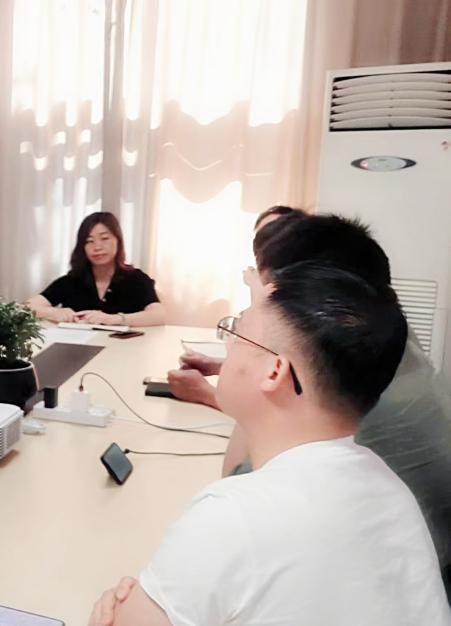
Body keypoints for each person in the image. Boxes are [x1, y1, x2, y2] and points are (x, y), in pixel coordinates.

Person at [89, 261, 451, 626]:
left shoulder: (233, 517)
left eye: (236, 332)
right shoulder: (390, 489)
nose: (228, 347)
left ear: (275, 370)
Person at [170, 213, 451, 594]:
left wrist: (251, 355)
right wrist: (247, 361)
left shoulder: (357, 396)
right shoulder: (384, 345)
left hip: (391, 584)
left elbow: (240, 477)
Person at [167, 205, 302, 407]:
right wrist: (214, 365)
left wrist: (205, 393)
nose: (266, 248)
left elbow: (286, 408)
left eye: (276, 235)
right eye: (261, 240)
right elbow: (267, 369)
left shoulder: (303, 309)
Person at [26, 211, 165, 326]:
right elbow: (27, 306)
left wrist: (114, 319)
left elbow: (159, 315)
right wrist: (54, 313)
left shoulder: (136, 279)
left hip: (126, 348)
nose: (97, 247)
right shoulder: (72, 280)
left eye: (104, 238)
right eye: (89, 241)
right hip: (78, 347)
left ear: (118, 241)